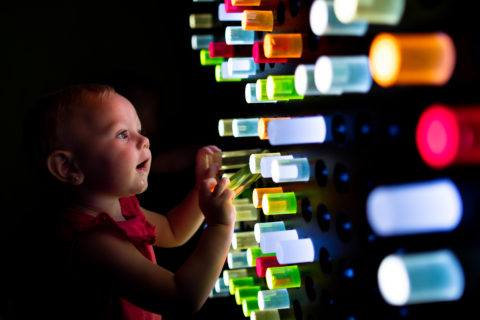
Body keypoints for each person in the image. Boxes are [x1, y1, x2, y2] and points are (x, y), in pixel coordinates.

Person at [13, 84, 235, 319]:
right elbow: (182, 297)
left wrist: (201, 189)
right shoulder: (93, 243)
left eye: (139, 130)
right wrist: (220, 226)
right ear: (69, 167)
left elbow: (172, 230)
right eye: (122, 134)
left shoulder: (122, 206)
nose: (144, 140)